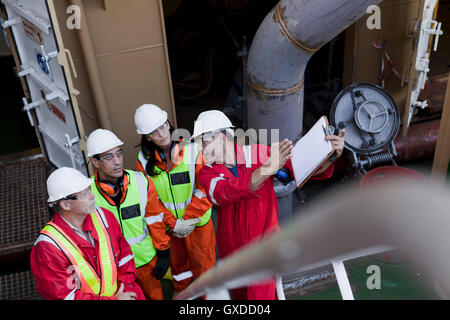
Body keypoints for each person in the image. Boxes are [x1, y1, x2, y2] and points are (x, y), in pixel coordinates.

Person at [193, 110, 346, 300]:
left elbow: (299, 168)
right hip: (232, 252)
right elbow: (225, 193)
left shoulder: (258, 153)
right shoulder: (206, 173)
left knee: (262, 297)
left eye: (204, 141)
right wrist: (269, 167)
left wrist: (329, 156)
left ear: (222, 137)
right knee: (239, 297)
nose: (201, 148)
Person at [134, 104, 216, 294]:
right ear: (147, 136)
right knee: (179, 271)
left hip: (197, 225)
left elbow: (206, 188)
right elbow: (150, 200)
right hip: (171, 228)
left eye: (163, 126)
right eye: (154, 131)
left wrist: (186, 220)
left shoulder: (194, 148)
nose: (162, 133)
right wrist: (174, 224)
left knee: (205, 270)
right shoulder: (143, 160)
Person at [30, 167, 145, 300]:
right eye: (84, 193)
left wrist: (126, 291)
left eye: (88, 189)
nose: (92, 196)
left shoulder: (104, 217)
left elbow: (125, 258)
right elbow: (66, 297)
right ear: (65, 204)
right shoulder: (48, 248)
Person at [86, 129, 172, 300]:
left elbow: (155, 219)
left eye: (119, 153)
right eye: (109, 157)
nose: (117, 161)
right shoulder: (88, 193)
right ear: (95, 162)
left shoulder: (140, 181)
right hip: (114, 268)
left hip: (146, 260)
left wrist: (164, 251)